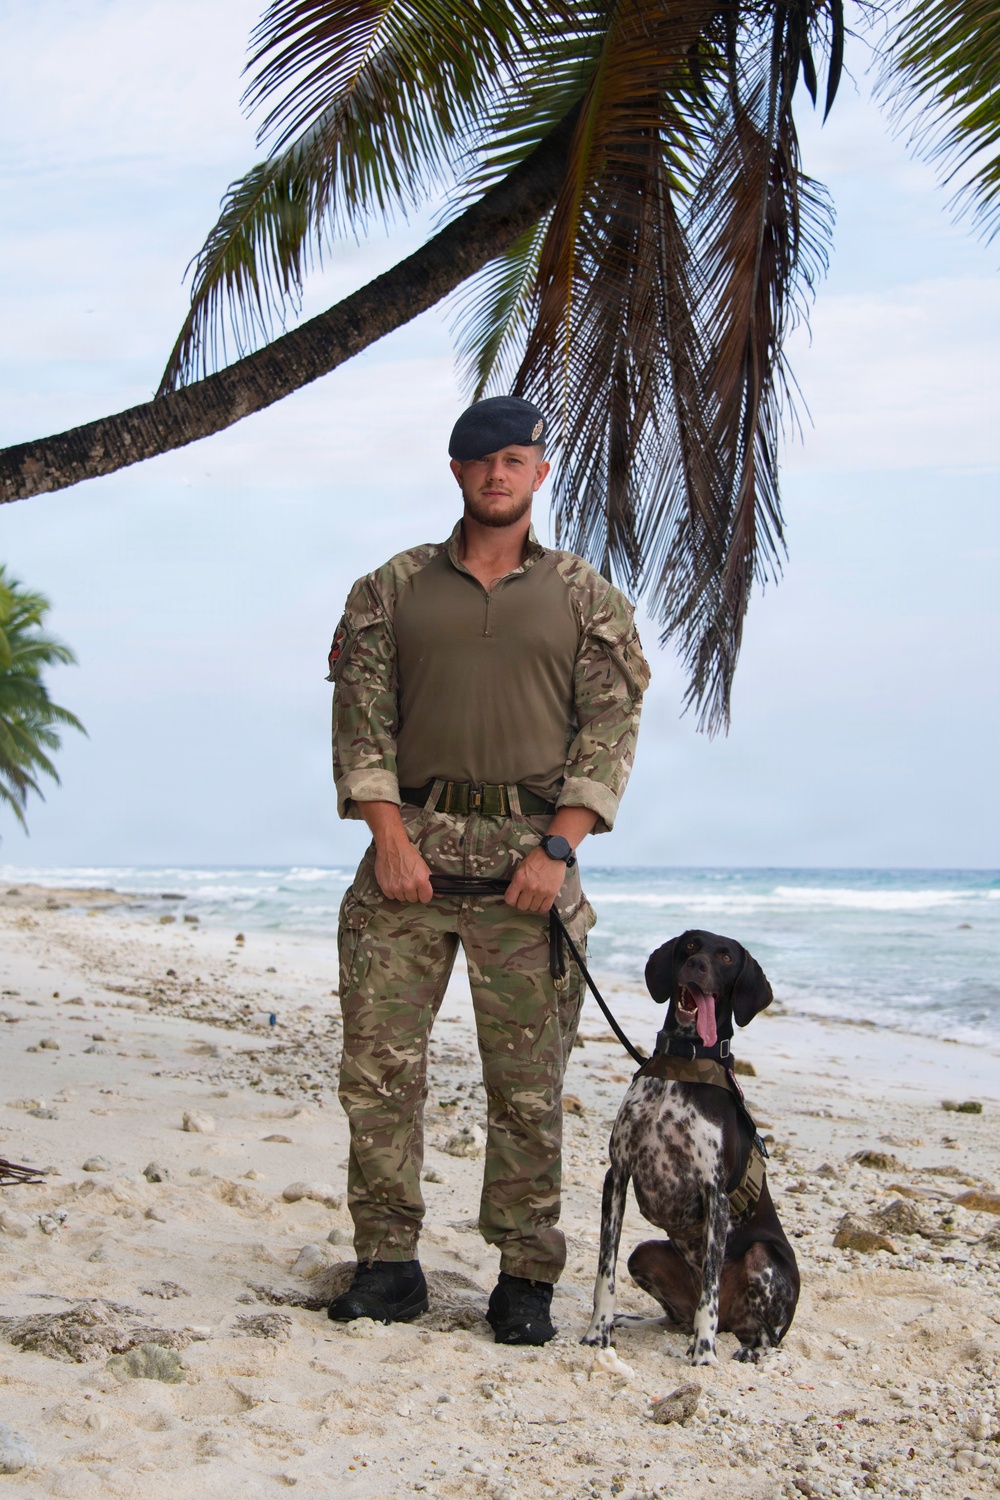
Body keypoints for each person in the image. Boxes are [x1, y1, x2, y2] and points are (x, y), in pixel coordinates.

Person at [326, 396, 649, 1345]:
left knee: (528, 1086)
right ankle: (387, 1265)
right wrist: (389, 837)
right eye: (481, 461)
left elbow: (610, 730)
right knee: (379, 1076)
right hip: (408, 867)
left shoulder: (586, 596)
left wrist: (559, 849)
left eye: (515, 460)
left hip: (529, 873)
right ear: (457, 472)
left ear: (539, 471)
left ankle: (524, 1277)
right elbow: (361, 723)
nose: (497, 475)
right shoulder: (389, 589)